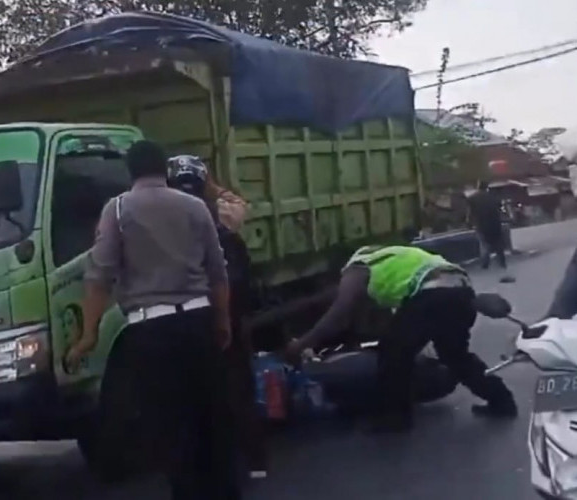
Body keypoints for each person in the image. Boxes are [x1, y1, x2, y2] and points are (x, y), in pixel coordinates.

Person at [65, 141, 241, 500]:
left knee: (170, 426)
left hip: (150, 332)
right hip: (198, 322)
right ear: (164, 169)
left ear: (130, 172)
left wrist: (88, 335)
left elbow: (99, 277)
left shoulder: (116, 211)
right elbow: (217, 271)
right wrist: (222, 321)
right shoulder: (195, 207)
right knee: (212, 420)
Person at [285, 244, 517, 432]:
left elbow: (340, 314)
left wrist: (302, 344)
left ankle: (395, 419)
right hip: (461, 289)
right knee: (455, 355)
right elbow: (391, 315)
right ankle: (501, 400)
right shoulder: (392, 256)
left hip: (431, 294)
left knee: (393, 353)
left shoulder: (356, 268)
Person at [167, 155, 269, 479]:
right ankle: (255, 459)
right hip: (229, 312)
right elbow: (237, 202)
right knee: (238, 384)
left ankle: (210, 460)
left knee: (196, 391)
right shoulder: (223, 216)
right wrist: (214, 187)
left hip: (187, 314)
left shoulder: (164, 217)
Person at [467, 181, 515, 282]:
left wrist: (469, 223)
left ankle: (485, 265)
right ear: (487, 187)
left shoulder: (472, 199)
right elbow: (499, 209)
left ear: (478, 187)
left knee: (484, 245)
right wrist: (505, 218)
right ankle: (502, 263)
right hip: (494, 224)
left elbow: (470, 213)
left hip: (481, 225)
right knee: (498, 245)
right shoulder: (492, 197)